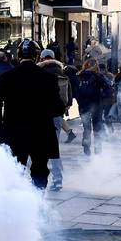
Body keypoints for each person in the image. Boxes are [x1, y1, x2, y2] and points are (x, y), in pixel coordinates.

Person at [0, 40, 66, 190]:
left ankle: (17, 202)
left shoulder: (7, 77)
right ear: (37, 57)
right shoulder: (48, 78)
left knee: (15, 170)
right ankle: (37, 201)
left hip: (14, 131)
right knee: (39, 171)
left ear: (18, 56)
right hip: (41, 132)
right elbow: (58, 108)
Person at [36, 49, 71, 191]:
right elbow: (69, 97)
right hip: (57, 116)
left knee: (37, 147)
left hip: (40, 115)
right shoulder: (62, 73)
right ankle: (58, 179)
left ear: (42, 58)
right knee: (54, 147)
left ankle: (37, 177)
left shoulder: (39, 73)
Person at [73, 59, 111, 155]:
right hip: (96, 105)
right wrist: (103, 98)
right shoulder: (98, 76)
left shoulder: (79, 76)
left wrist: (80, 101)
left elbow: (75, 91)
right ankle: (98, 149)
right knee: (97, 127)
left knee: (86, 128)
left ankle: (86, 147)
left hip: (83, 106)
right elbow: (108, 89)